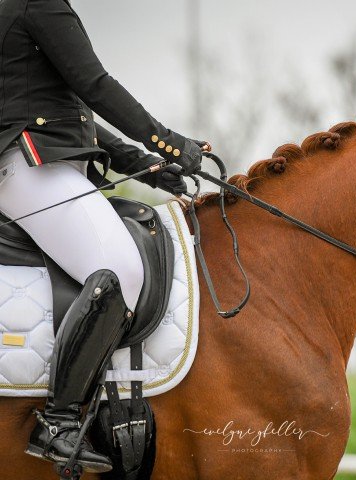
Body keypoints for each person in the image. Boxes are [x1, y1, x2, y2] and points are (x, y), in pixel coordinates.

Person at [0, 0, 208, 473]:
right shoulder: (37, 2)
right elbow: (94, 85)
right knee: (121, 269)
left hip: (46, 166)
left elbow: (74, 112)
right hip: (32, 167)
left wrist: (149, 165)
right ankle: (59, 421)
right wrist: (169, 141)